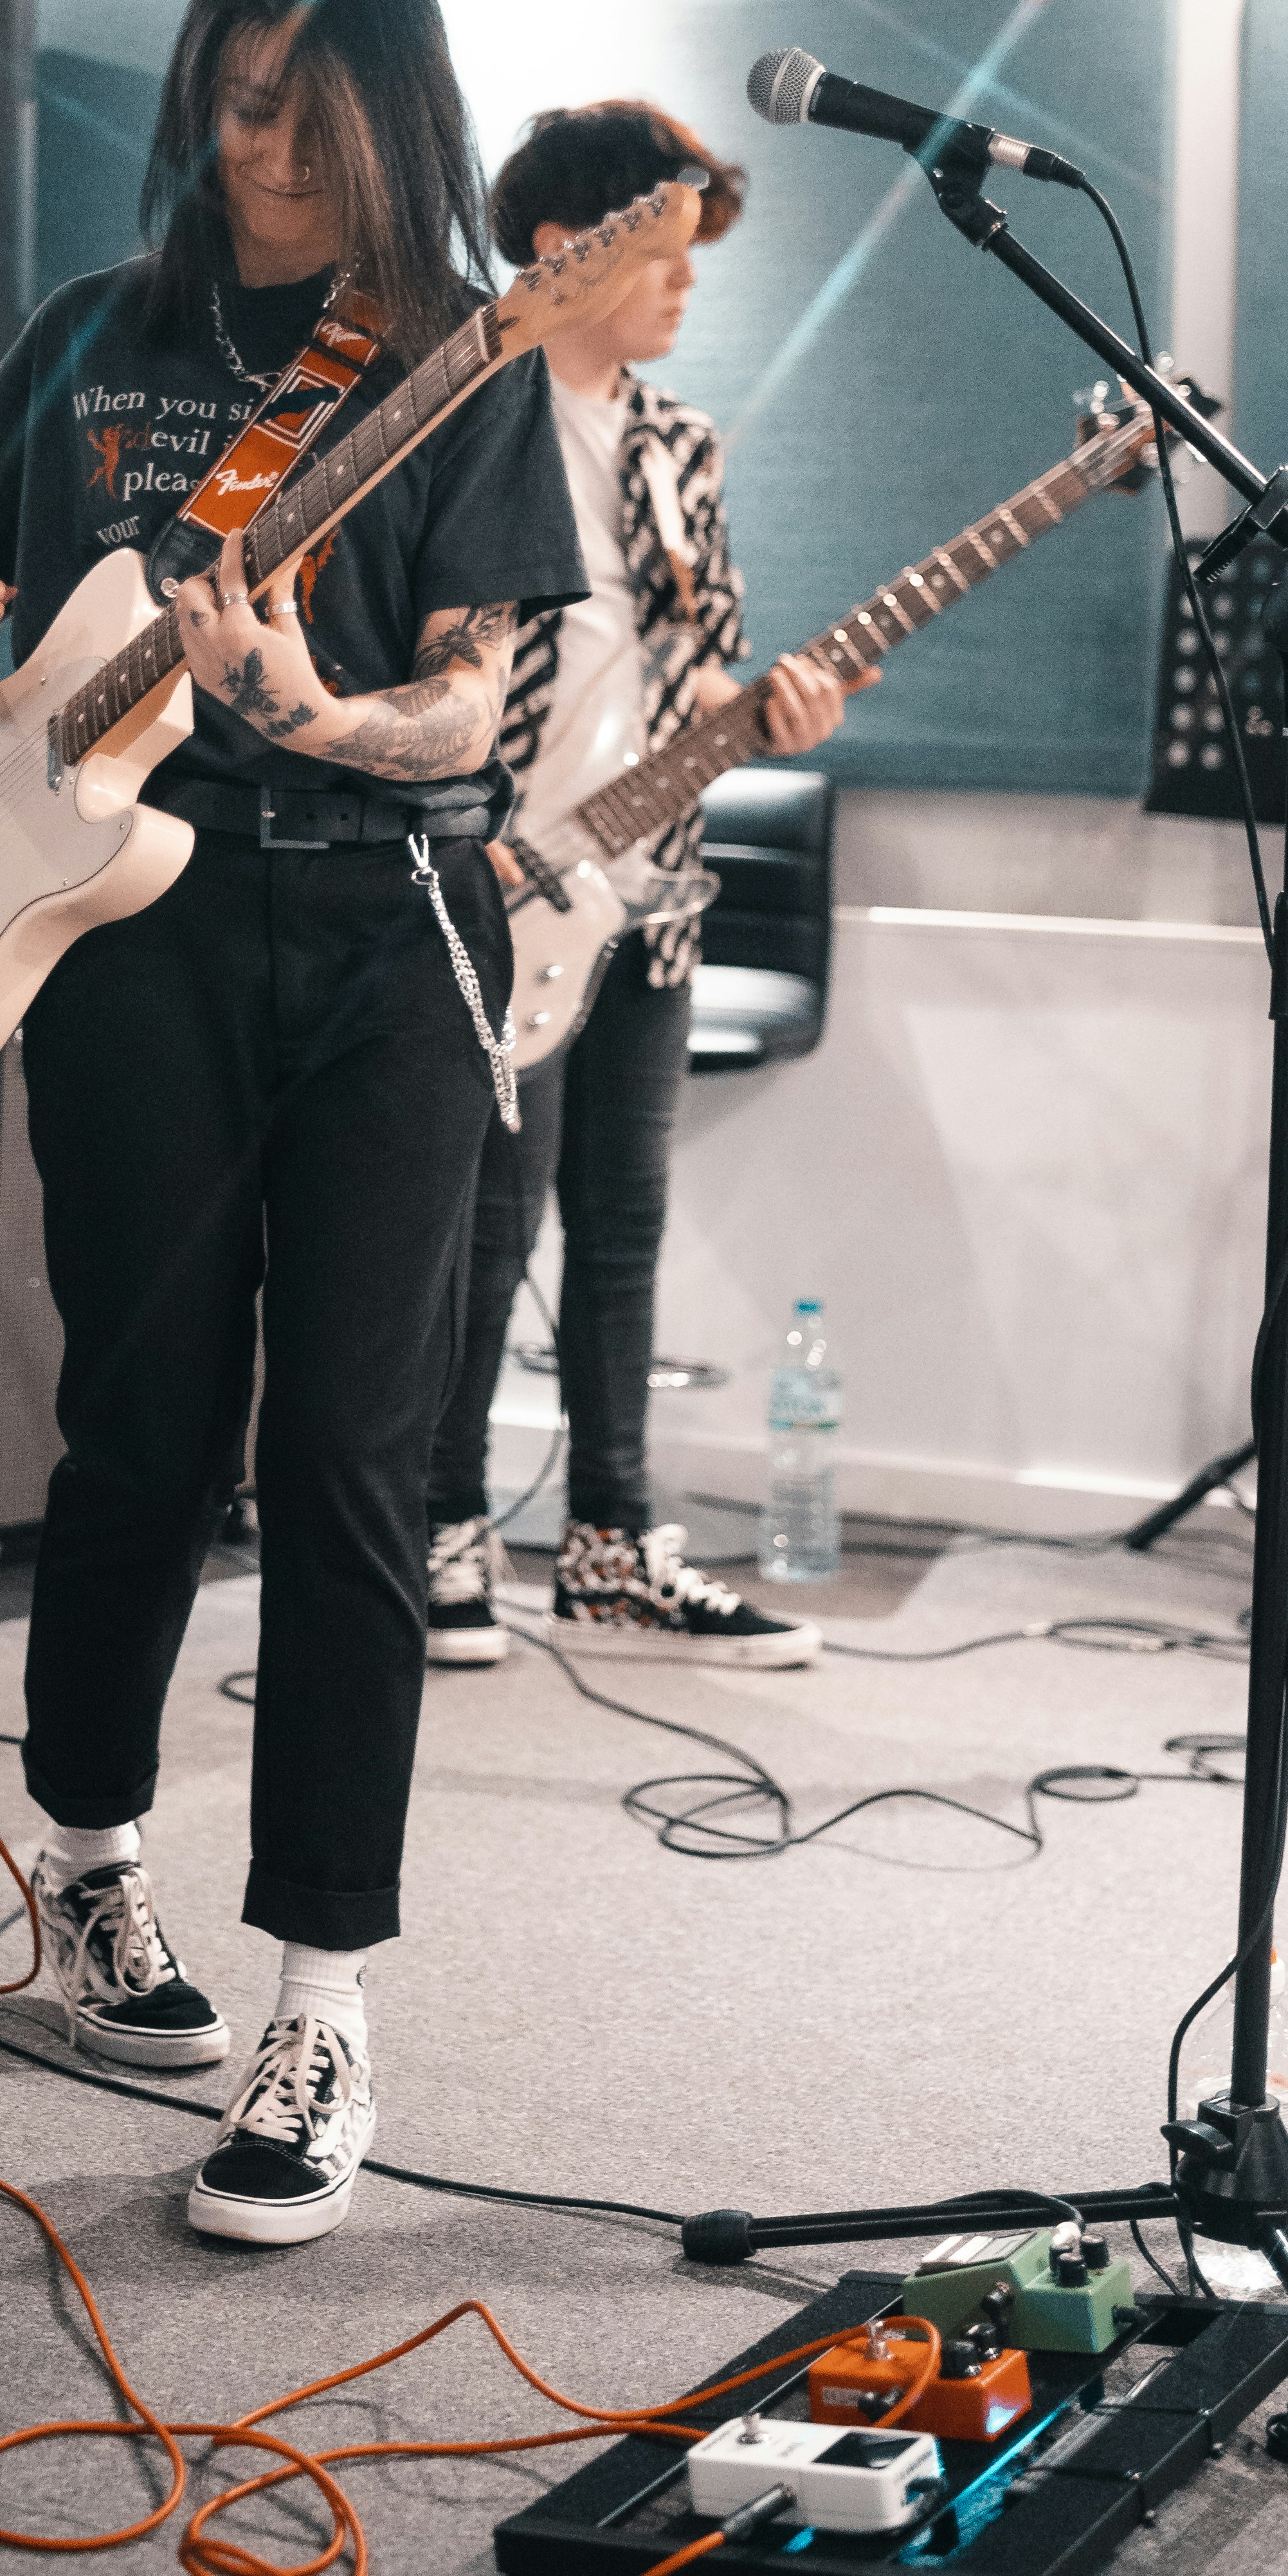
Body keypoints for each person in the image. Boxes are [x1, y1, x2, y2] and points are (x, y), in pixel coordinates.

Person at [0, 0, 586, 2247]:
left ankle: (326, 1999)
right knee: (142, 1428)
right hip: (129, 934)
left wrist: (317, 711)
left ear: (395, 108)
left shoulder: (463, 360)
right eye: (225, 91)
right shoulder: (90, 334)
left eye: (297, 99)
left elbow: (474, 703)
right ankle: (87, 1861)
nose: (249, 141)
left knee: (357, 1462)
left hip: (386, 925)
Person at [419, 98, 873, 1676]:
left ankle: (611, 1545)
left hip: (652, 892)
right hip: (489, 881)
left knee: (621, 1226)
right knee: (487, 1227)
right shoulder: (462, 414)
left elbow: (705, 673)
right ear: (564, 246)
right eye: (665, 246)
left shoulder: (680, 446)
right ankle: (441, 1530)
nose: (688, 281)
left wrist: (777, 712)